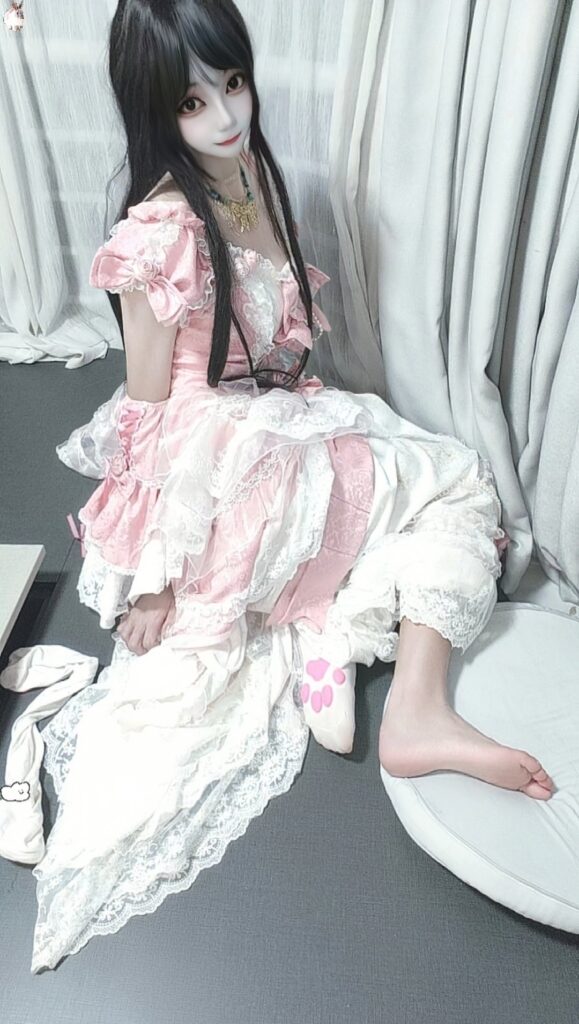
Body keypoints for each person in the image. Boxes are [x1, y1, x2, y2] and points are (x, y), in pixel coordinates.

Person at [23, 0, 552, 972]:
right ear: (154, 110)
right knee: (461, 488)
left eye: (232, 82)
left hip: (269, 430)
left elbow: (272, 349)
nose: (227, 114)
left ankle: (334, 633)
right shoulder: (156, 235)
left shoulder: (247, 176)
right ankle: (381, 673)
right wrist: (155, 576)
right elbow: (149, 409)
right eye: (193, 101)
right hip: (223, 467)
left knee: (437, 483)